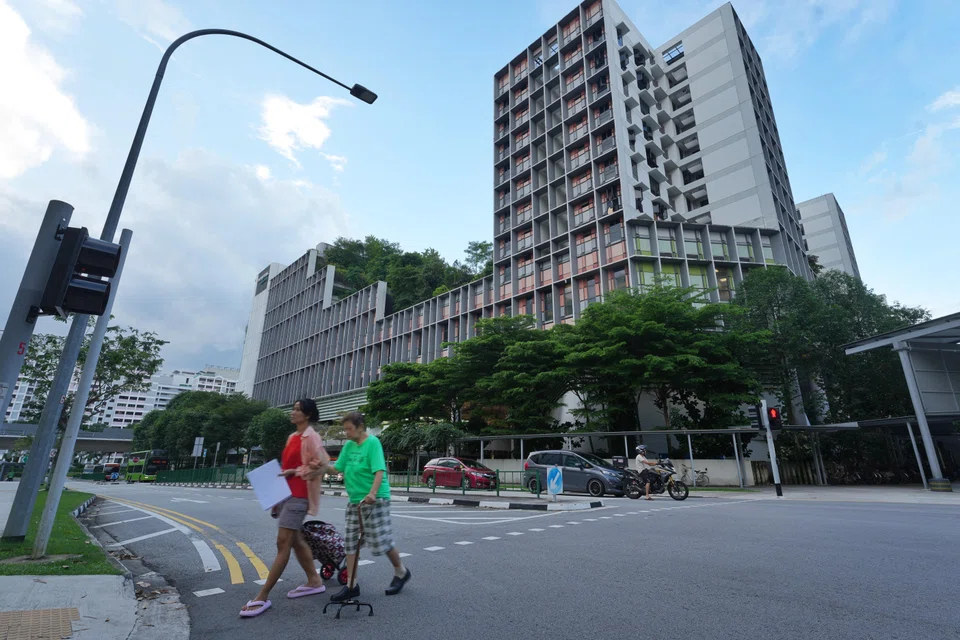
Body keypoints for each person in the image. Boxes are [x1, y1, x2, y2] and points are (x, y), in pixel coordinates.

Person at [240, 399, 329, 618]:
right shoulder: (292, 437)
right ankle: (315, 580)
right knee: (296, 540)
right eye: (294, 408)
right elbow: (289, 465)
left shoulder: (312, 437)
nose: (293, 412)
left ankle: (262, 595)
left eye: (298, 409)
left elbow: (323, 464)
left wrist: (296, 472)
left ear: (307, 415)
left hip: (299, 495)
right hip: (286, 494)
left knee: (283, 543)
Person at [316, 411, 411, 602]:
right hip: (355, 501)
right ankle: (351, 585)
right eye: (344, 429)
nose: (346, 433)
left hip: (375, 499)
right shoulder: (349, 446)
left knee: (381, 541)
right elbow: (337, 468)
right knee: (351, 543)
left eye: (349, 429)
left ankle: (401, 571)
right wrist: (323, 464)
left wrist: (373, 493)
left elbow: (379, 471)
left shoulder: (372, 443)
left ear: (360, 427)